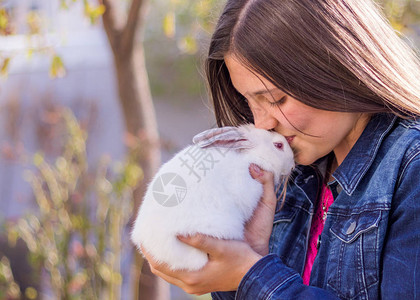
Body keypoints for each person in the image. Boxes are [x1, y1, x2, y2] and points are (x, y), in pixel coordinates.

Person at [143, 0, 420, 298]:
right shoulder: (294, 174)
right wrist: (233, 265)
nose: (262, 123)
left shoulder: (410, 168)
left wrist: (252, 275)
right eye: (250, 102)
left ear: (338, 66)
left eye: (276, 99)